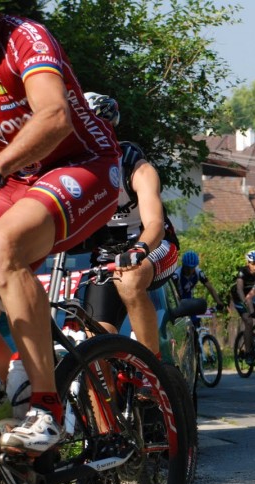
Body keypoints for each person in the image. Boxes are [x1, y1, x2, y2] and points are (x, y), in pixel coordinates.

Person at [0, 2, 121, 455]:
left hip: (83, 164)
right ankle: (12, 440)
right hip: (18, 180)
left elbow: (53, 115)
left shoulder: (22, 38)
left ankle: (48, 410)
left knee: (2, 246)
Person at [81, 93, 179, 355]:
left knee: (129, 279)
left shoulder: (135, 166)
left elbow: (155, 223)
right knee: (94, 344)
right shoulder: (74, 170)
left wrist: (139, 249)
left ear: (110, 129)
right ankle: (105, 393)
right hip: (106, 254)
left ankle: (151, 369)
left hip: (151, 245)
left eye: (98, 128)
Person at [230, 250, 255, 360]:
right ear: (247, 262)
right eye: (252, 263)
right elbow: (240, 289)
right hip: (240, 298)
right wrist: (245, 302)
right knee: (249, 321)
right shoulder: (243, 272)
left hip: (254, 297)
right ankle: (248, 352)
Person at [176, 250, 226, 325]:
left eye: (192, 267)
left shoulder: (198, 272)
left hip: (189, 299)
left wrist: (218, 301)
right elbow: (173, 292)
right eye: (187, 268)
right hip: (178, 301)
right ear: (183, 264)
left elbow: (210, 288)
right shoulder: (176, 275)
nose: (190, 270)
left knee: (196, 321)